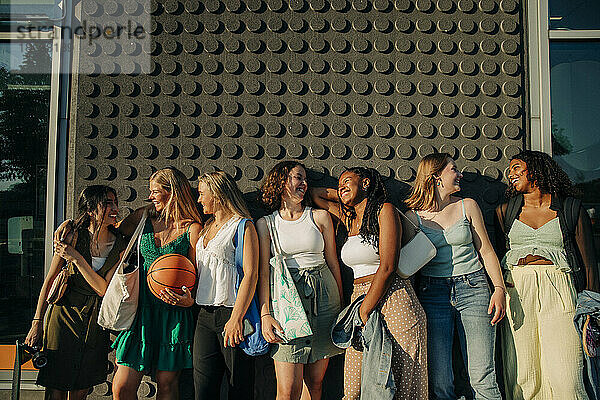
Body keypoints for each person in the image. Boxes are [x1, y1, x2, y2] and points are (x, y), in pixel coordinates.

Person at [311, 167, 428, 400]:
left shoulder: (385, 210)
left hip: (394, 299)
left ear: (365, 183)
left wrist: (365, 309)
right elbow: (316, 194)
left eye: (348, 181)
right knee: (354, 390)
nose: (342, 186)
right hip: (359, 298)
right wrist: (344, 192)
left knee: (405, 386)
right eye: (339, 183)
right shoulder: (348, 218)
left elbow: (387, 266)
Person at [496, 150, 598, 400]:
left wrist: (592, 307)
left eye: (517, 167)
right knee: (524, 373)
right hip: (517, 291)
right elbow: (497, 255)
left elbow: (589, 263)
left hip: (560, 288)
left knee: (566, 370)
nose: (511, 173)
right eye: (509, 169)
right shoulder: (504, 211)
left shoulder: (570, 208)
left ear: (537, 170)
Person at [405, 153, 505, 400]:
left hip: (474, 288)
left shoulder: (467, 205)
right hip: (432, 294)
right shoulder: (412, 217)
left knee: (483, 375)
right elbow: (404, 266)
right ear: (436, 176)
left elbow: (487, 251)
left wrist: (499, 289)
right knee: (439, 380)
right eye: (454, 169)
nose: (459, 174)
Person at [25, 185, 127, 400]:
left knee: (82, 387)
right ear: (90, 209)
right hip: (63, 315)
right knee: (56, 387)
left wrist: (77, 259)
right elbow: (50, 280)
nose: (115, 207)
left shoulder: (120, 243)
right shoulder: (71, 235)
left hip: (95, 320)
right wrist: (37, 322)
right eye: (107, 203)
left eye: (115, 202)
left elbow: (103, 290)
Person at [256, 161, 344, 400]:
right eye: (298, 178)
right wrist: (266, 314)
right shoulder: (266, 224)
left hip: (324, 297)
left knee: (314, 383)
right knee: (287, 391)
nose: (304, 184)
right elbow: (263, 272)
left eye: (305, 179)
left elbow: (333, 262)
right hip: (287, 302)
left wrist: (340, 305)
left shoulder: (320, 217)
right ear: (282, 182)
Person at [193, 171, 259, 399]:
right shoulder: (205, 227)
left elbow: (251, 274)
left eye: (202, 194)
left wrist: (236, 318)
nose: (199, 199)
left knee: (238, 387)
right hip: (204, 315)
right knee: (203, 389)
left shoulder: (243, 226)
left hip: (231, 313)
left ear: (218, 193)